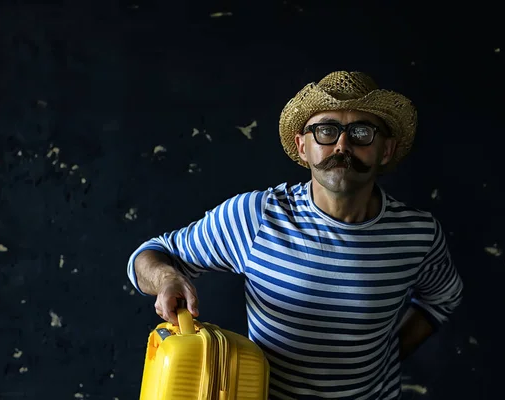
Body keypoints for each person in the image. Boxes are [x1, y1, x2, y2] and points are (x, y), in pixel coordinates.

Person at [127, 71, 463, 399]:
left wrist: (385, 358)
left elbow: (442, 298)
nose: (342, 145)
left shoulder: (418, 234)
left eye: (361, 132)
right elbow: (149, 255)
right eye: (326, 131)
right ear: (303, 147)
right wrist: (166, 278)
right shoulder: (256, 217)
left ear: (386, 150)